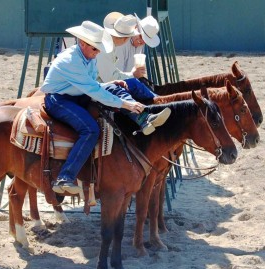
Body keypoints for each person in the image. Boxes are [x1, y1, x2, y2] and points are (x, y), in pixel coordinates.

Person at [40, 20, 171, 194]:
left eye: (98, 48)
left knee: (114, 87)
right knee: (91, 130)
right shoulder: (71, 61)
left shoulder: (87, 57)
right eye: (95, 48)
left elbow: (92, 85)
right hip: (59, 101)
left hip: (76, 94)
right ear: (82, 43)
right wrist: (126, 104)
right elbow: (93, 90)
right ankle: (65, 177)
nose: (97, 52)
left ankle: (143, 118)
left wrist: (110, 85)